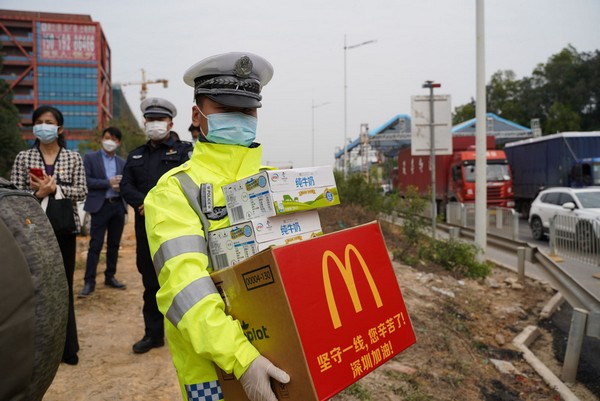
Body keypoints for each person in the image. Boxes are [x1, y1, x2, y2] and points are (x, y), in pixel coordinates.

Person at [144, 52, 289, 401]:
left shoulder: (274, 183)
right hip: (213, 373)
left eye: (247, 111)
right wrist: (242, 359)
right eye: (225, 109)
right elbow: (184, 289)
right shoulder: (174, 191)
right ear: (197, 115)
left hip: (287, 354)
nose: (238, 118)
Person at [10, 105, 87, 365]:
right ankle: (38, 349)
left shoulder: (73, 158)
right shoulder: (24, 158)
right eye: (39, 122)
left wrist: (55, 189)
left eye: (49, 122)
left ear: (60, 128)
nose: (44, 126)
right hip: (32, 230)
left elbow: (82, 191)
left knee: (64, 285)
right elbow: (14, 194)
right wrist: (39, 193)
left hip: (64, 229)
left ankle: (68, 347)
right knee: (36, 287)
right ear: (34, 127)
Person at [120, 97, 193, 354]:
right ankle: (153, 334)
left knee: (184, 280)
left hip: (177, 229)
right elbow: (126, 185)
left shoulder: (185, 152)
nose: (154, 124)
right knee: (151, 284)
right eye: (150, 119)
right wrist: (143, 203)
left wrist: (155, 205)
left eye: (159, 119)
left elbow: (189, 183)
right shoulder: (135, 155)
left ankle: (189, 334)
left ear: (170, 123)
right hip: (146, 231)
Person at [79, 127, 128, 298]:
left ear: (118, 142)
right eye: (107, 137)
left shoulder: (122, 162)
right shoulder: (90, 158)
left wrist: (122, 186)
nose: (110, 141)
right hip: (100, 206)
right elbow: (86, 180)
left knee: (114, 245)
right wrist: (108, 183)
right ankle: (89, 281)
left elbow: (128, 182)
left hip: (118, 205)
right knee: (95, 245)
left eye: (114, 139)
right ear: (102, 139)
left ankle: (110, 276)